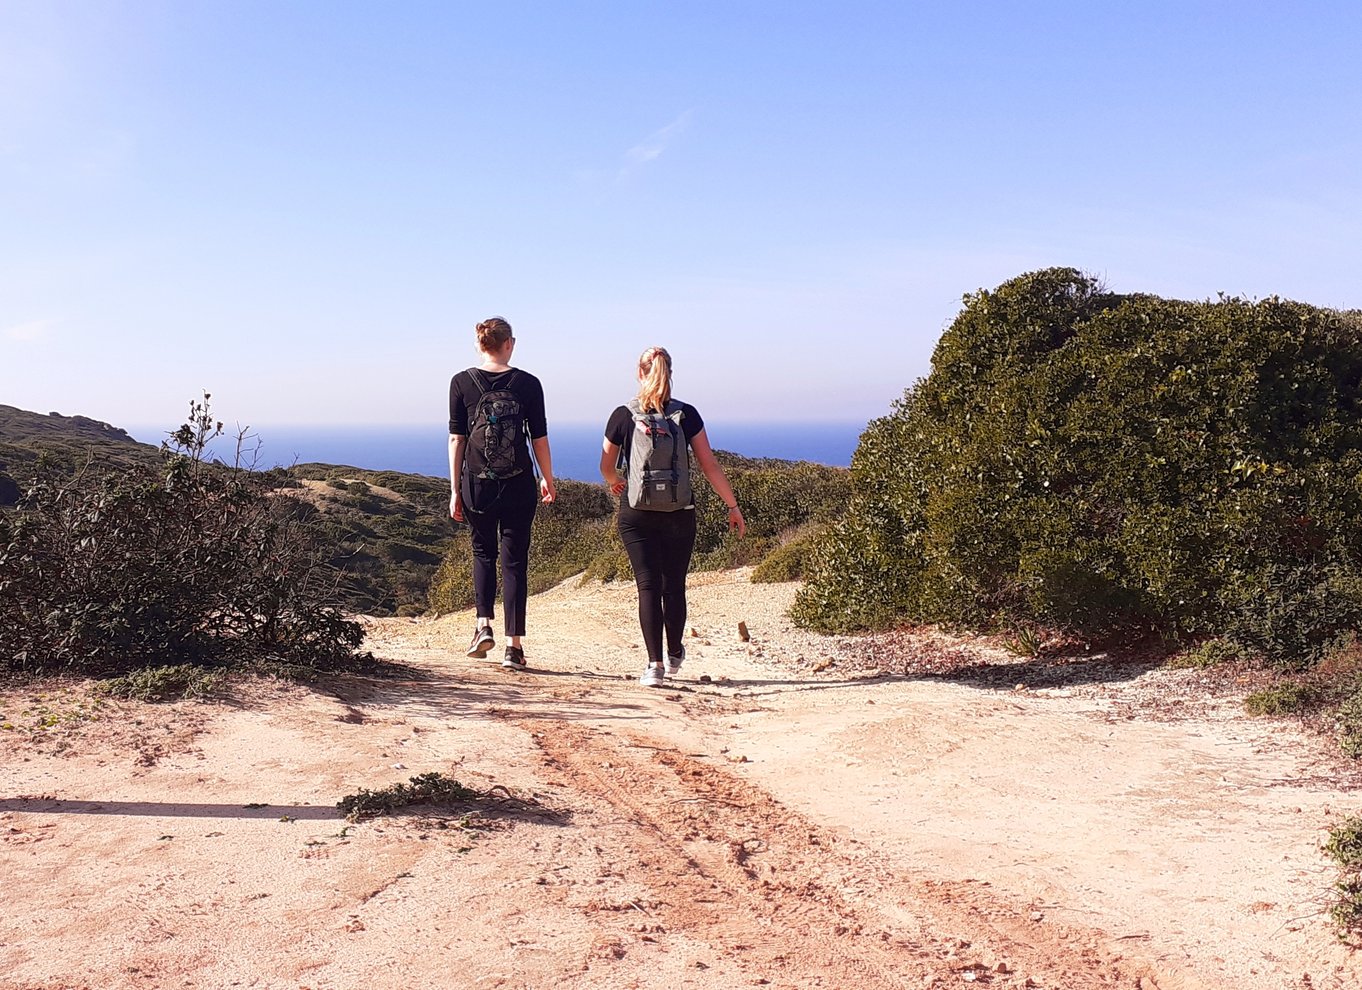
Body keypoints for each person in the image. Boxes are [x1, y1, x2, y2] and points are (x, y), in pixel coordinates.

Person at [600, 346, 745, 687]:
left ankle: (654, 666)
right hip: (680, 512)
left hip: (636, 513)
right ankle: (675, 651)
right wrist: (732, 506)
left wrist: (616, 482)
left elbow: (606, 466)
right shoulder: (687, 414)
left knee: (648, 586)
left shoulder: (623, 415)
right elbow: (709, 465)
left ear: (639, 373)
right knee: (674, 585)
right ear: (670, 373)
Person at [449, 317, 557, 670]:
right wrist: (547, 478)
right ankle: (514, 647)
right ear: (509, 343)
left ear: (480, 344)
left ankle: (483, 626)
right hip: (519, 483)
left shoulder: (462, 383)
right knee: (515, 563)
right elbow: (538, 438)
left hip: (477, 484)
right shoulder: (528, 384)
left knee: (483, 553)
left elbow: (457, 440)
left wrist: (454, 490)